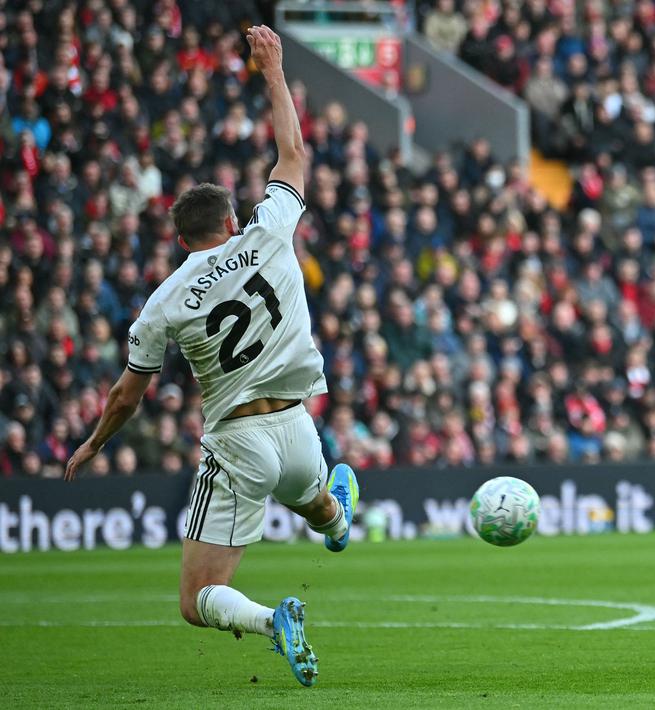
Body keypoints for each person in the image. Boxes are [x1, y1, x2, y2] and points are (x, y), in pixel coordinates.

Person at [64, 26, 357, 688]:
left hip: (239, 439)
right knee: (312, 498)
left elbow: (126, 397)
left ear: (177, 239)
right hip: (298, 425)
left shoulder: (163, 303)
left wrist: (93, 445)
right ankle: (337, 525)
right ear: (231, 220)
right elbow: (293, 149)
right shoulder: (269, 230)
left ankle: (270, 621)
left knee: (197, 600)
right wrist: (273, 70)